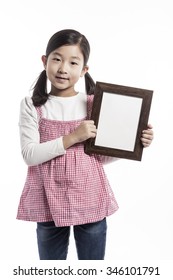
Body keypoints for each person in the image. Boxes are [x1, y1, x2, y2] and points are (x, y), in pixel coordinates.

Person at [17, 29, 154, 260]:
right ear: (45, 60)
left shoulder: (94, 104)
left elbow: (99, 156)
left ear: (84, 70)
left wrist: (134, 141)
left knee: (92, 268)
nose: (63, 69)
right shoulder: (32, 105)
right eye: (57, 59)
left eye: (73, 62)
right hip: (47, 198)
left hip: (89, 196)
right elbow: (29, 154)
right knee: (50, 269)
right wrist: (73, 137)